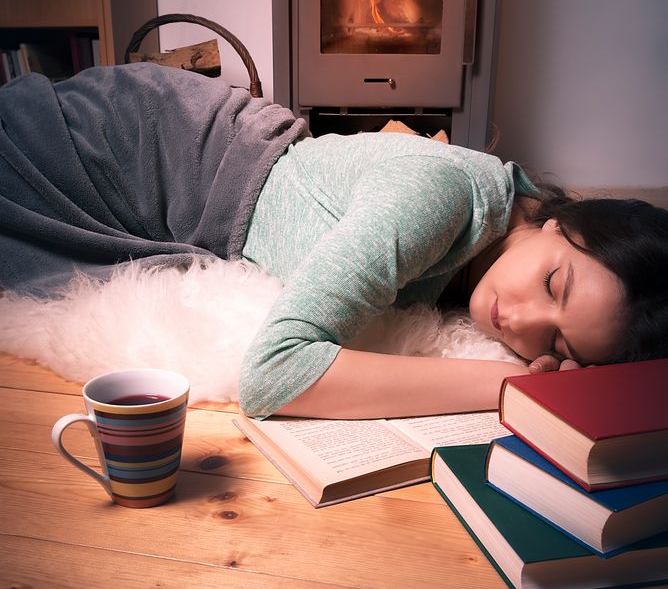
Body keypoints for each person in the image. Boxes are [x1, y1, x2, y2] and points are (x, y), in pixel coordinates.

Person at [1, 63, 667, 420]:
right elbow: (274, 376)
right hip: (136, 147)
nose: (518, 319)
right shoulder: (439, 198)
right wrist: (511, 385)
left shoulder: (493, 236)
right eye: (555, 284)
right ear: (561, 222)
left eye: (556, 343)